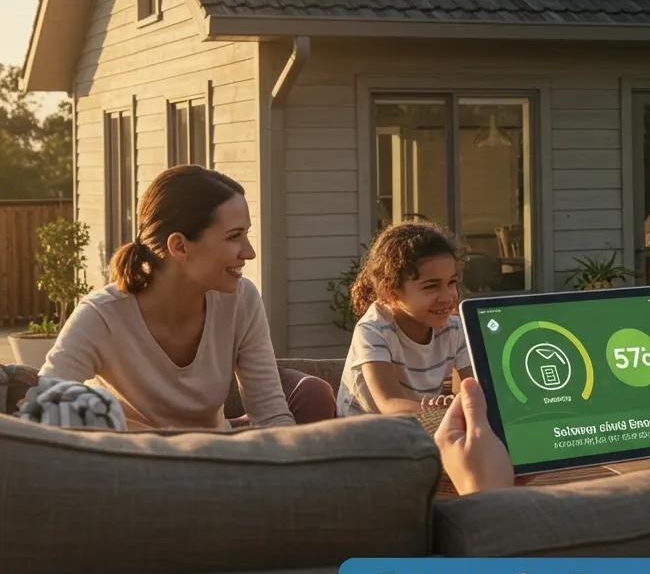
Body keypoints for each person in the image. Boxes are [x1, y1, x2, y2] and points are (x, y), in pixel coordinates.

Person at [41, 165, 333, 430]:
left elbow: (270, 415)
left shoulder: (241, 300)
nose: (249, 252)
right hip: (130, 466)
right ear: (180, 246)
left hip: (213, 462)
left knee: (313, 394)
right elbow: (44, 405)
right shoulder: (102, 315)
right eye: (234, 236)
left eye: (246, 235)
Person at [336, 222, 471, 416]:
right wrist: (442, 412)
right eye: (431, 286)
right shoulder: (373, 330)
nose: (448, 296)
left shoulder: (455, 329)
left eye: (451, 282)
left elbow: (477, 389)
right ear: (390, 292)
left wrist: (462, 403)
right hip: (367, 433)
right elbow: (390, 405)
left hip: (422, 425)